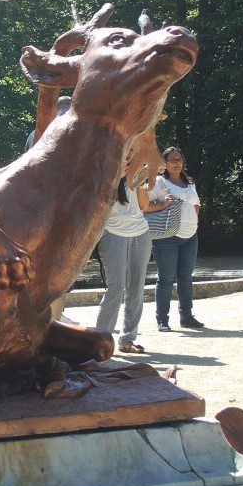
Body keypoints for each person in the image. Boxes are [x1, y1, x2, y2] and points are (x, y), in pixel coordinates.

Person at [94, 151, 152, 353]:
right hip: (113, 233)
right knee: (116, 288)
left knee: (136, 288)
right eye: (126, 153)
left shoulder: (139, 173)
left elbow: (144, 206)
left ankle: (127, 339)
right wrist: (116, 177)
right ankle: (100, 340)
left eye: (133, 153)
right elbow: (99, 203)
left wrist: (143, 181)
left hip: (141, 234)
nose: (130, 156)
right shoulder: (105, 173)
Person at [143, 146, 203, 331]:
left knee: (185, 277)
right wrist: (162, 204)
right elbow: (144, 205)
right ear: (165, 163)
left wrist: (192, 223)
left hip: (190, 236)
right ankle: (162, 320)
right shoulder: (158, 182)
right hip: (166, 236)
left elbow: (197, 204)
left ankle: (186, 317)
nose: (177, 163)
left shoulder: (189, 182)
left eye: (179, 159)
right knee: (166, 278)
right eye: (172, 159)